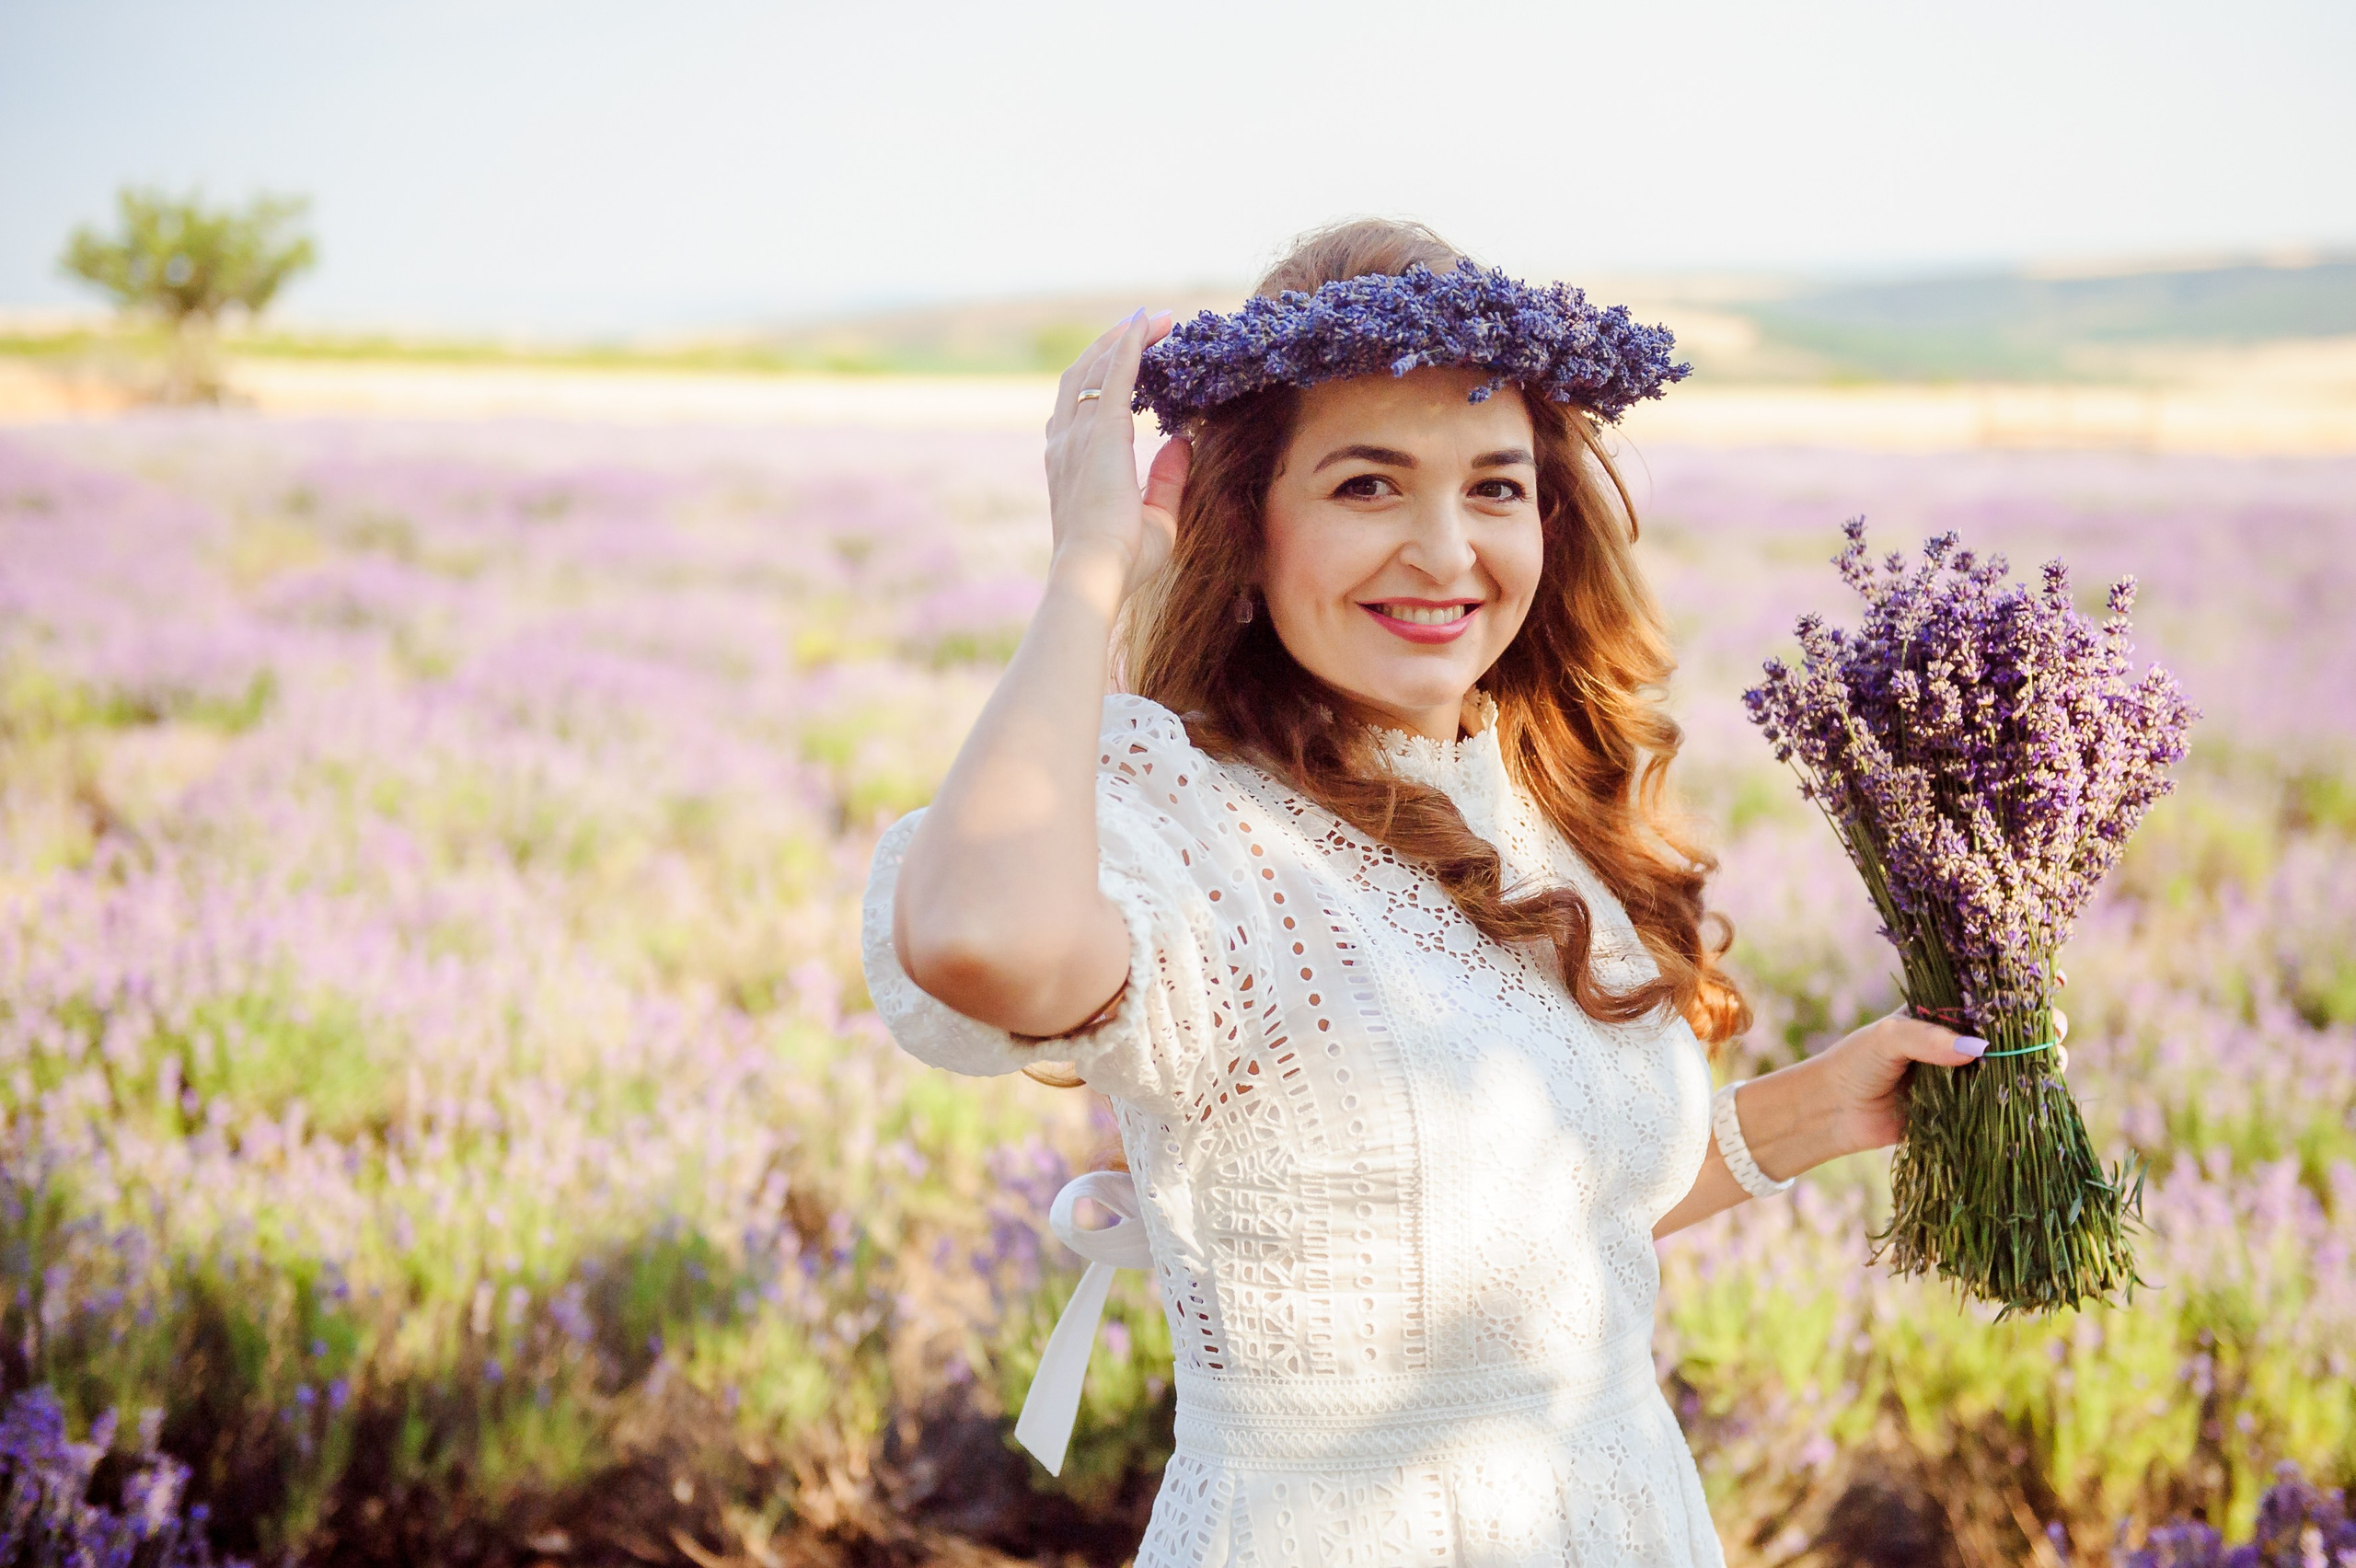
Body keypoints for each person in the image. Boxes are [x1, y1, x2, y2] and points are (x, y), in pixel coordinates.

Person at [859, 219, 1981, 1568]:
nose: (1447, 554)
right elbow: (977, 935)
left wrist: (1817, 1111)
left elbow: (1521, 1224)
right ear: (1245, 527)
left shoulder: (1536, 806)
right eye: (1367, 486)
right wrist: (1091, 571)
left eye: (1495, 487)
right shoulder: (1191, 831)